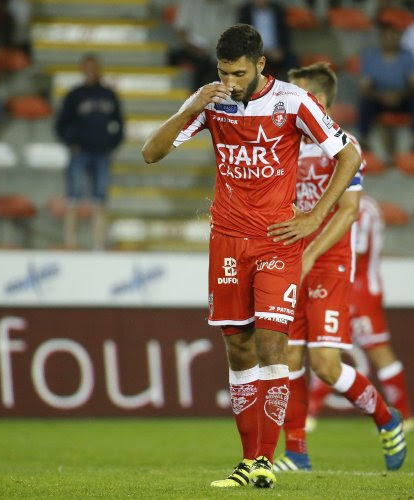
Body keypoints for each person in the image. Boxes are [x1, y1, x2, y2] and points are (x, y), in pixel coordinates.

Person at [141, 24, 362, 489]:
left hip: (277, 241)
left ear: (261, 65)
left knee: (271, 345)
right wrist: (190, 108)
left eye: (239, 73)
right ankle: (247, 462)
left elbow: (350, 155)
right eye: (224, 72)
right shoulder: (213, 101)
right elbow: (150, 153)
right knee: (237, 347)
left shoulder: (294, 102)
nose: (232, 82)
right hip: (226, 240)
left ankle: (265, 459)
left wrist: (314, 216)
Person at [272, 63, 407, 474]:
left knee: (327, 366)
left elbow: (348, 213)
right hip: (293, 258)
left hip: (328, 262)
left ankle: (387, 418)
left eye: (297, 94)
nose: (288, 102)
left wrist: (312, 254)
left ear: (319, 100)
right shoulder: (286, 145)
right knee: (288, 357)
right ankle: (296, 453)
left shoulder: (344, 145)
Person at [304, 193, 414, 433]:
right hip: (349, 284)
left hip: (361, 288)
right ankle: (310, 412)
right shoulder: (360, 205)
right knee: (327, 349)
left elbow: (357, 248)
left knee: (376, 350)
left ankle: (404, 415)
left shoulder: (363, 209)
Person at [55, 53, 124, 250]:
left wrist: (112, 144)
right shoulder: (75, 95)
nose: (91, 72)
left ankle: (98, 244)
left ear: (99, 69)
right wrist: (71, 143)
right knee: (73, 197)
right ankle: (71, 243)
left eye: (94, 68)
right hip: (80, 152)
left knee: (100, 199)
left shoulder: (109, 95)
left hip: (102, 153)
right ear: (82, 70)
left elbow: (119, 124)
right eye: (87, 68)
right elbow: (61, 124)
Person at [358, 23, 414, 155]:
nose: (390, 41)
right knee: (365, 102)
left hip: (403, 97)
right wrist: (382, 96)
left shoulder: (408, 56)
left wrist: (400, 95)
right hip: (379, 97)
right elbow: (365, 86)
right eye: (386, 38)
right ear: (381, 40)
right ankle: (364, 139)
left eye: (393, 38)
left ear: (399, 39)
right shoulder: (371, 56)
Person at [170, 0, 235, 90]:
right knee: (200, 62)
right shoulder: (190, 3)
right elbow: (181, 31)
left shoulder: (227, 8)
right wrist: (195, 48)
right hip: (193, 49)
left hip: (217, 53)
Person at [237, 0, 295, 80]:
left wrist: (281, 49)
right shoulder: (245, 11)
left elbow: (285, 33)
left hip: (276, 50)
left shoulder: (278, 10)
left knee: (292, 60)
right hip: (254, 51)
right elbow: (242, 36)